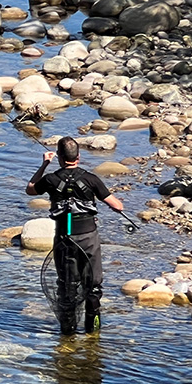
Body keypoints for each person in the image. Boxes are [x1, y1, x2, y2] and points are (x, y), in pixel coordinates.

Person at [26, 136, 124, 335]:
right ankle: (93, 335)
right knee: (93, 287)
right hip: (88, 239)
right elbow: (117, 205)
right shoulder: (91, 179)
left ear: (60, 158)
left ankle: (67, 335)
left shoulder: (51, 179)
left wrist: (44, 164)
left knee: (67, 287)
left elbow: (30, 189)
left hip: (64, 239)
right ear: (78, 157)